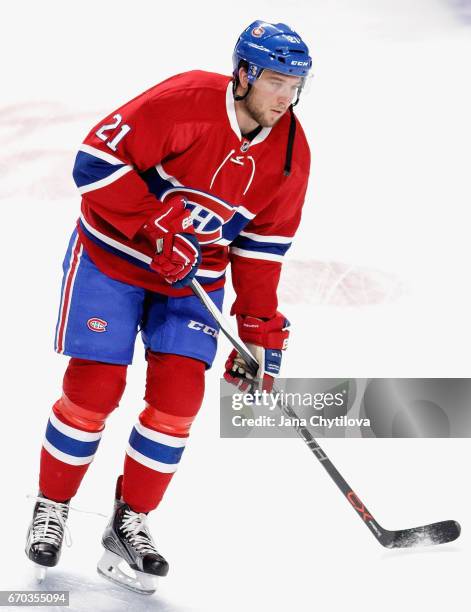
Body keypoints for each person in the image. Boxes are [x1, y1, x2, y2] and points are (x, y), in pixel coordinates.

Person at [25, 20, 312, 594]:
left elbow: (261, 250)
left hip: (192, 281)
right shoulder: (183, 102)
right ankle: (51, 505)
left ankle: (129, 522)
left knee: (180, 398)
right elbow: (93, 161)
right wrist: (156, 226)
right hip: (112, 259)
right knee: (95, 388)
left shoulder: (289, 156)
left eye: (296, 83)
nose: (286, 96)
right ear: (244, 74)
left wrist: (259, 332)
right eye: (276, 80)